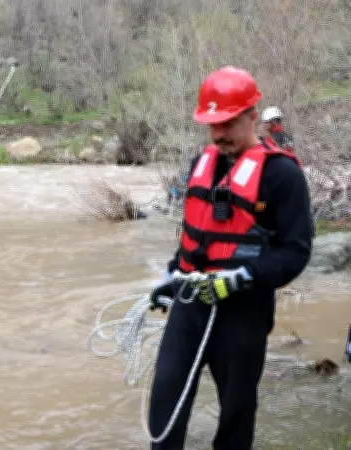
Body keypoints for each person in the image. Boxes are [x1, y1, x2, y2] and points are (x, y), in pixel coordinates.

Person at [147, 66, 313, 449]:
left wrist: (243, 277)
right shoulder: (199, 164)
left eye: (227, 123)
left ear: (252, 116)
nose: (218, 134)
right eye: (212, 125)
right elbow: (195, 236)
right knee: (166, 397)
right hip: (191, 304)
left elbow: (296, 252)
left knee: (237, 409)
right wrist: (172, 279)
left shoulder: (282, 175)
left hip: (242, 312)